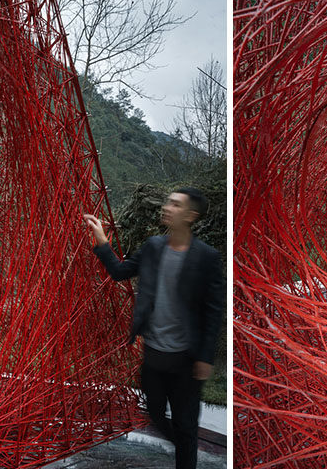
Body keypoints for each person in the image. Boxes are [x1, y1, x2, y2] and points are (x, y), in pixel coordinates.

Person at [84, 189, 223, 469]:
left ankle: (186, 449)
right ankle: (185, 441)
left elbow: (214, 311)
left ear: (190, 215)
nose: (166, 207)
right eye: (168, 202)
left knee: (185, 425)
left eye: (175, 204)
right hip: (154, 356)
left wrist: (205, 358)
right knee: (157, 415)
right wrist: (102, 243)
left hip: (186, 360)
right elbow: (120, 272)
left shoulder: (206, 258)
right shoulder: (153, 247)